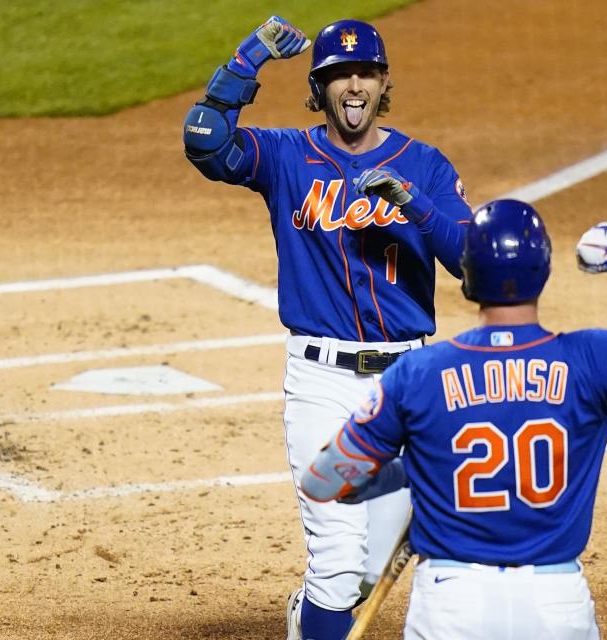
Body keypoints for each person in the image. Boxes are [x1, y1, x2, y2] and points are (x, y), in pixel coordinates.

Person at [301, 199, 607, 639]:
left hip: (452, 603)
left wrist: (408, 474)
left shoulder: (419, 373)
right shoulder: (592, 360)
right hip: (555, 604)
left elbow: (324, 482)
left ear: (467, 275)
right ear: (543, 272)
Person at [181, 14, 472, 640]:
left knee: (371, 574)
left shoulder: (423, 164)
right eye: (339, 75)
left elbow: (470, 264)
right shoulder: (287, 156)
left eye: (364, 71)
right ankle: (319, 607)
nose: (354, 86)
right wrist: (246, 59)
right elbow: (205, 142)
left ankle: (309, 612)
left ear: (384, 79)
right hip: (322, 382)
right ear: (320, 86)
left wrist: (414, 204)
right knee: (338, 566)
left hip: (408, 382)